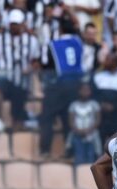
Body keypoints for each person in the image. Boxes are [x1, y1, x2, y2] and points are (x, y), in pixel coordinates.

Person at [0, 9, 41, 133]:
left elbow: (36, 61)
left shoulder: (31, 40)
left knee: (20, 95)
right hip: (4, 76)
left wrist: (30, 68)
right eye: (12, 24)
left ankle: (17, 124)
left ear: (23, 24)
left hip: (21, 78)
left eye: (17, 24)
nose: (14, 27)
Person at [39, 20, 84, 159]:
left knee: (47, 117)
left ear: (61, 29)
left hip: (57, 86)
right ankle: (70, 152)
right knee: (68, 119)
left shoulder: (53, 44)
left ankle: (45, 151)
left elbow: (46, 65)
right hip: (75, 86)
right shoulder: (79, 44)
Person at [67, 82, 101, 165]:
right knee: (79, 158)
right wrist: (79, 131)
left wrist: (88, 130)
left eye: (87, 90)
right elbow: (71, 121)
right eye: (83, 90)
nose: (86, 92)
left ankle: (89, 177)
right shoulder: (73, 105)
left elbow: (98, 120)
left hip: (91, 135)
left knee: (91, 158)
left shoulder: (94, 104)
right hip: (77, 135)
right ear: (79, 91)